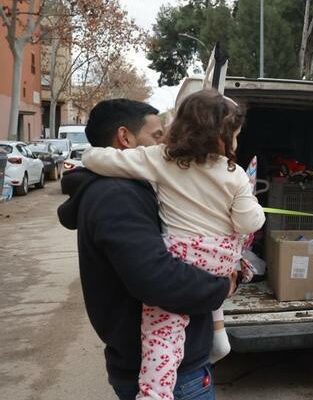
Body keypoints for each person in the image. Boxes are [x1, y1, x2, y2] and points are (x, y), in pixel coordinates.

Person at [82, 90, 265, 399]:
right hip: (221, 258)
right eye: (155, 134)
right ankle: (219, 334)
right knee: (230, 260)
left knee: (162, 334)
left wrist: (86, 160)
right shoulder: (234, 175)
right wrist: (225, 284)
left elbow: (95, 157)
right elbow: (250, 223)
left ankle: (155, 392)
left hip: (183, 254)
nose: (161, 138)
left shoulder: (160, 160)